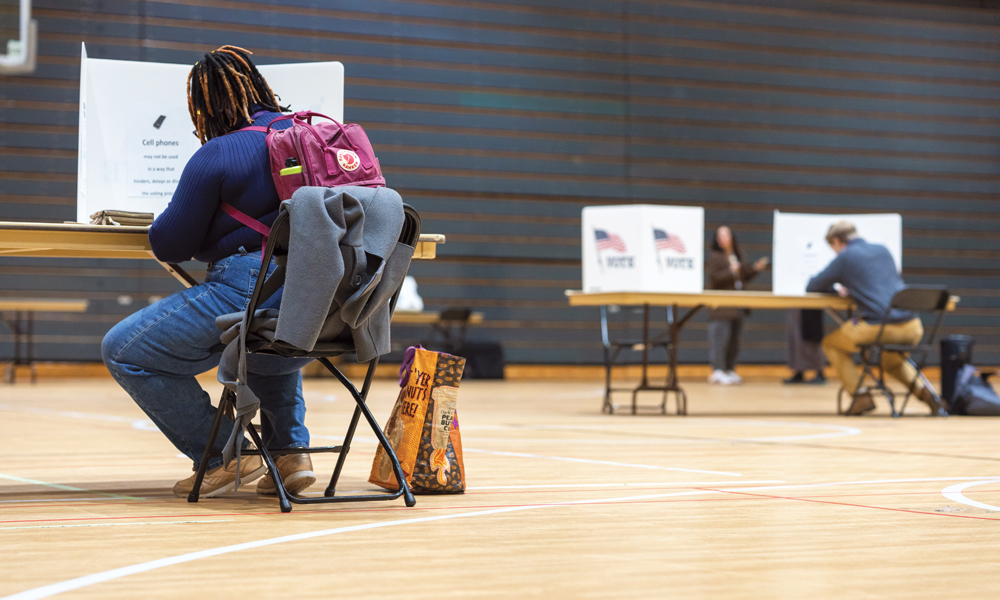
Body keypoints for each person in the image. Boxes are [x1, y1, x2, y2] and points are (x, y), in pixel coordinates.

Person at [102, 46, 316, 498]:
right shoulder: (315, 139)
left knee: (123, 349)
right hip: (328, 299)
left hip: (249, 286)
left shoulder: (218, 153)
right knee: (271, 328)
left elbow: (169, 243)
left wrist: (209, 233)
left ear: (206, 105)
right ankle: (290, 452)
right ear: (259, 86)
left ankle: (229, 450)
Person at [807, 221, 941, 415]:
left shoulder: (845, 257)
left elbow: (813, 286)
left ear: (836, 241)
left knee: (831, 344)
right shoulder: (882, 250)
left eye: (833, 248)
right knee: (891, 362)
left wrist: (838, 287)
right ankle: (926, 393)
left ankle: (860, 396)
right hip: (912, 326)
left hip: (879, 327)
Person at [705, 226, 768, 385]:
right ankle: (717, 370)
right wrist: (731, 272)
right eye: (720, 235)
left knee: (734, 340)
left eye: (726, 235)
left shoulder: (736, 256)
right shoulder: (715, 257)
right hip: (721, 307)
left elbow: (743, 277)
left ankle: (729, 368)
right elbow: (715, 279)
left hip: (737, 305)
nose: (723, 238)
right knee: (719, 338)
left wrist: (754, 269)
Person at [783, 309, 826, 385]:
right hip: (796, 302)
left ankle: (819, 373)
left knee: (813, 337)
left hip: (811, 305)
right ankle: (799, 371)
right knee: (796, 337)